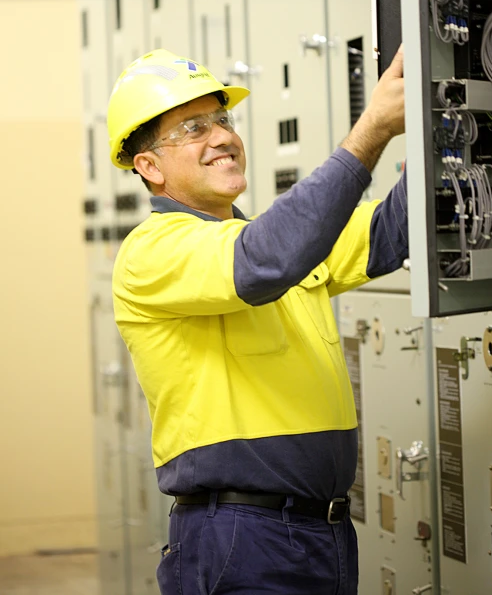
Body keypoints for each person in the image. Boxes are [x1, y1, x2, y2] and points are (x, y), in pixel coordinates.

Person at [108, 46, 407, 595]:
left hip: (324, 533)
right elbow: (267, 259)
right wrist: (373, 130)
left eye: (222, 119)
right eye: (193, 128)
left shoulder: (264, 240)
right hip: (242, 540)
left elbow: (387, 233)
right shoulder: (151, 252)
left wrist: (446, 124)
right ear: (148, 167)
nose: (221, 136)